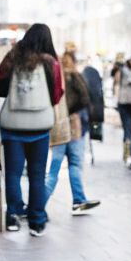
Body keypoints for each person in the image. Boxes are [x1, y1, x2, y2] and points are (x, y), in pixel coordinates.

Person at [0, 24, 64, 236]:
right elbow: (57, 94)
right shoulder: (51, 63)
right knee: (37, 174)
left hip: (13, 126)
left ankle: (13, 217)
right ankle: (36, 222)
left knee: (13, 173)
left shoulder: (13, 57)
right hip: (40, 127)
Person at [47, 51, 102, 214]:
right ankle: (78, 200)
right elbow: (85, 98)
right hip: (74, 126)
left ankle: (38, 205)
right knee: (75, 165)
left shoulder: (53, 78)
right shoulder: (74, 76)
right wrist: (73, 112)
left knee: (53, 170)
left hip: (57, 126)